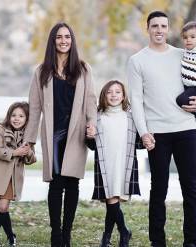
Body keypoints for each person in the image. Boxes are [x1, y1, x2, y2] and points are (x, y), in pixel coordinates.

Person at [127, 11, 196, 247]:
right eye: (154, 26)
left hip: (185, 129)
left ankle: (192, 241)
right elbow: (136, 101)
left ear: (168, 29)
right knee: (158, 189)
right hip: (157, 134)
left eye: (163, 26)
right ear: (147, 29)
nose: (159, 30)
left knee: (189, 187)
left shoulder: (183, 55)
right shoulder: (137, 61)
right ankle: (157, 242)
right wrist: (144, 132)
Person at [23, 22, 97, 247]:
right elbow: (34, 108)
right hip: (53, 135)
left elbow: (91, 101)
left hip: (76, 133)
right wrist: (29, 141)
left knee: (72, 184)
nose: (63, 40)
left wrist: (92, 124)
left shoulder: (84, 69)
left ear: (72, 41)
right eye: (59, 37)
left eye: (67, 37)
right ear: (52, 41)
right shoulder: (41, 71)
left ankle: (67, 234)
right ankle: (56, 234)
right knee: (56, 184)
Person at [86, 80, 143, 247]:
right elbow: (91, 145)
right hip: (105, 164)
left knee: (113, 201)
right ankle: (124, 231)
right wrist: (90, 136)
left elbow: (138, 143)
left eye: (117, 92)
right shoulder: (97, 116)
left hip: (124, 164)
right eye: (110, 92)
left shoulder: (131, 117)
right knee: (112, 201)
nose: (113, 95)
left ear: (124, 96)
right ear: (104, 95)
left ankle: (107, 237)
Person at [0, 101, 36, 247]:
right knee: (3, 208)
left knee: (3, 207)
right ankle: (10, 236)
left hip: (13, 178)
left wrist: (28, 151)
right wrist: (14, 152)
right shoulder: (1, 130)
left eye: (21, 116)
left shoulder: (28, 137)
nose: (16, 118)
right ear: (9, 116)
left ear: (27, 119)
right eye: (14, 115)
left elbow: (32, 159)